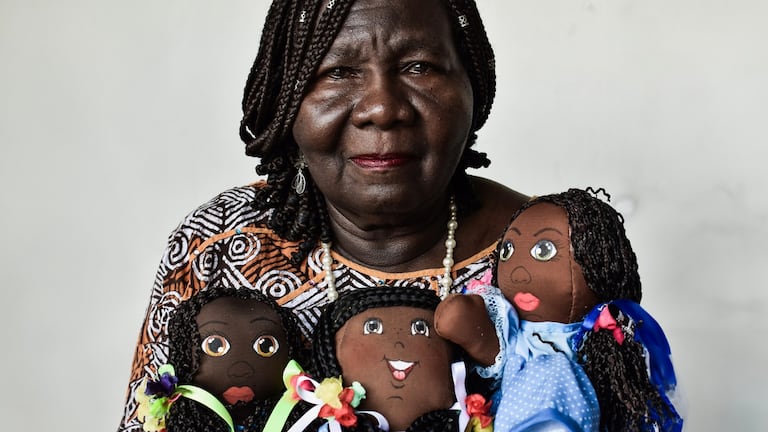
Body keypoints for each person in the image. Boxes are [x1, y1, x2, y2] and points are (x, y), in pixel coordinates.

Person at [118, 0, 527, 430]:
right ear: (287, 98)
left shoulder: (553, 248)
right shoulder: (218, 243)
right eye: (338, 72)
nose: (383, 109)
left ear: (474, 85)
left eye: (420, 67)